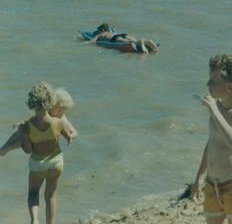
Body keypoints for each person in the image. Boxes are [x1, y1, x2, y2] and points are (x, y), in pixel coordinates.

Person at [191, 54, 232, 224]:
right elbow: (212, 143)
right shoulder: (216, 107)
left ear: (230, 88)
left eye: (213, 81)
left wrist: (214, 111)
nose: (208, 84)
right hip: (212, 184)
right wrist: (199, 177)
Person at [21, 82, 76, 224]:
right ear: (52, 103)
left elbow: (28, 150)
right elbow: (69, 135)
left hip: (38, 163)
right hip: (57, 161)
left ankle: (34, 220)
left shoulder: (28, 125)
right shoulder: (58, 122)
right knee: (51, 195)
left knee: (33, 193)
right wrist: (71, 137)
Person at [1, 87, 78, 157]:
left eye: (63, 109)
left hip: (44, 140)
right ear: (51, 104)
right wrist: (21, 123)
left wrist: (70, 137)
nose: (61, 112)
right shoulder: (46, 112)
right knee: (19, 132)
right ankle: (4, 148)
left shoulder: (61, 117)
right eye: (59, 109)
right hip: (39, 137)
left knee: (21, 137)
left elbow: (73, 130)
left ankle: (7, 148)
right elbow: (32, 120)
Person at [88, 23, 158, 53]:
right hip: (122, 34)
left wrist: (86, 43)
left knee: (129, 42)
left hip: (115, 38)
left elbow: (93, 41)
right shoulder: (111, 32)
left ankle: (142, 41)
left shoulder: (102, 33)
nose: (98, 31)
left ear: (102, 30)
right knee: (134, 40)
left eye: (99, 29)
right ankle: (146, 42)